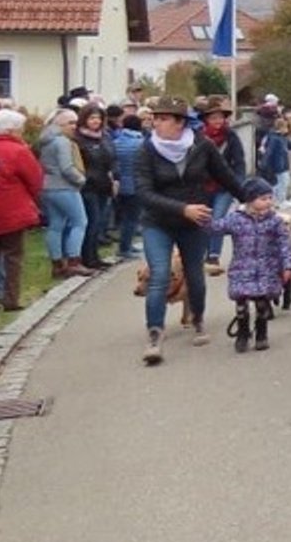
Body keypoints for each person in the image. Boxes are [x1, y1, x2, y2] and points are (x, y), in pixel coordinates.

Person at [136, 96, 245, 365]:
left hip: (194, 223)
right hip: (157, 222)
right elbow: (144, 192)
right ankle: (154, 334)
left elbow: (225, 176)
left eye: (162, 119)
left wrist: (251, 199)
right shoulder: (146, 149)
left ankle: (198, 319)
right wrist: (182, 208)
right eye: (155, 119)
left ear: (179, 122)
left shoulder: (201, 146)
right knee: (160, 273)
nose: (156, 124)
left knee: (195, 274)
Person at [208, 177, 291, 352]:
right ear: (250, 199)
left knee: (262, 302)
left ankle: (261, 333)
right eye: (263, 198)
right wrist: (202, 219)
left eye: (270, 198)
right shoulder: (236, 219)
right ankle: (242, 333)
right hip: (242, 268)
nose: (268, 202)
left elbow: (285, 244)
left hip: (267, 269)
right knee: (241, 303)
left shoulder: (275, 221)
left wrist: (289, 265)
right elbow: (215, 227)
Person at [0, 109, 42, 311]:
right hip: (13, 210)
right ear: (12, 130)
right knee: (13, 257)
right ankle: (10, 298)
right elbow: (35, 179)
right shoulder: (19, 151)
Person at [34, 108, 94, 278]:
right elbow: (66, 167)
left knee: (56, 224)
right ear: (59, 124)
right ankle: (74, 260)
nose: (74, 126)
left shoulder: (46, 140)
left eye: (75, 122)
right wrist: (81, 180)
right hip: (64, 186)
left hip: (48, 186)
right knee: (80, 222)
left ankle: (57, 263)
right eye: (70, 123)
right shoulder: (62, 142)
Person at [196, 96, 248, 276]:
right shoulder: (198, 137)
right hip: (202, 186)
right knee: (203, 219)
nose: (218, 121)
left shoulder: (231, 136)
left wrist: (238, 184)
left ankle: (213, 256)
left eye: (220, 117)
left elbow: (239, 162)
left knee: (217, 219)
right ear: (206, 120)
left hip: (225, 186)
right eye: (213, 118)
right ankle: (200, 254)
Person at [73, 105, 118, 270]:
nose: (96, 121)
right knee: (92, 221)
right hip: (88, 185)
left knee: (99, 223)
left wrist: (115, 177)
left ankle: (95, 256)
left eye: (98, 118)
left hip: (104, 184)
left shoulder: (105, 137)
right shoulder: (78, 139)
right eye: (92, 118)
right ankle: (87, 257)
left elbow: (113, 158)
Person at [111, 112, 146, 259]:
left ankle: (126, 245)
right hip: (135, 184)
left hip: (119, 184)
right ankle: (125, 248)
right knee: (132, 218)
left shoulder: (116, 142)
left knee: (125, 217)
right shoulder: (141, 143)